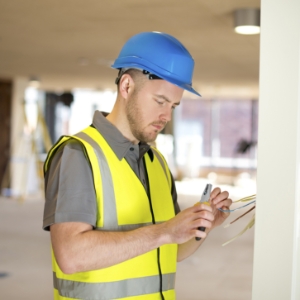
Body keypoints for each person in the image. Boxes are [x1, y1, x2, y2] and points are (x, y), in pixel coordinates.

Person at [43, 31, 232, 300]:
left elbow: (172, 250)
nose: (166, 116)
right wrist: (165, 231)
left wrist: (200, 227)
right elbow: (71, 255)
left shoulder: (157, 164)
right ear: (127, 86)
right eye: (160, 101)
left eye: (174, 107)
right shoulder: (78, 154)